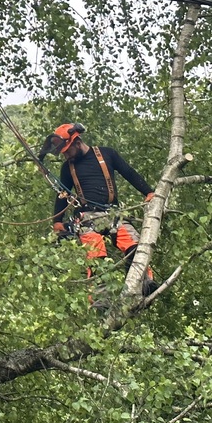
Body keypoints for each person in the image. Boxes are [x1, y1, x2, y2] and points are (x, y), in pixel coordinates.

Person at [39, 122, 156, 297]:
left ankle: (144, 285)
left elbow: (128, 172)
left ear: (77, 143)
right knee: (96, 257)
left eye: (68, 151)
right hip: (87, 217)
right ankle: (101, 301)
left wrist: (148, 192)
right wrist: (57, 221)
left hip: (114, 214)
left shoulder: (107, 154)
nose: (66, 157)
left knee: (135, 247)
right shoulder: (68, 168)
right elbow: (63, 194)